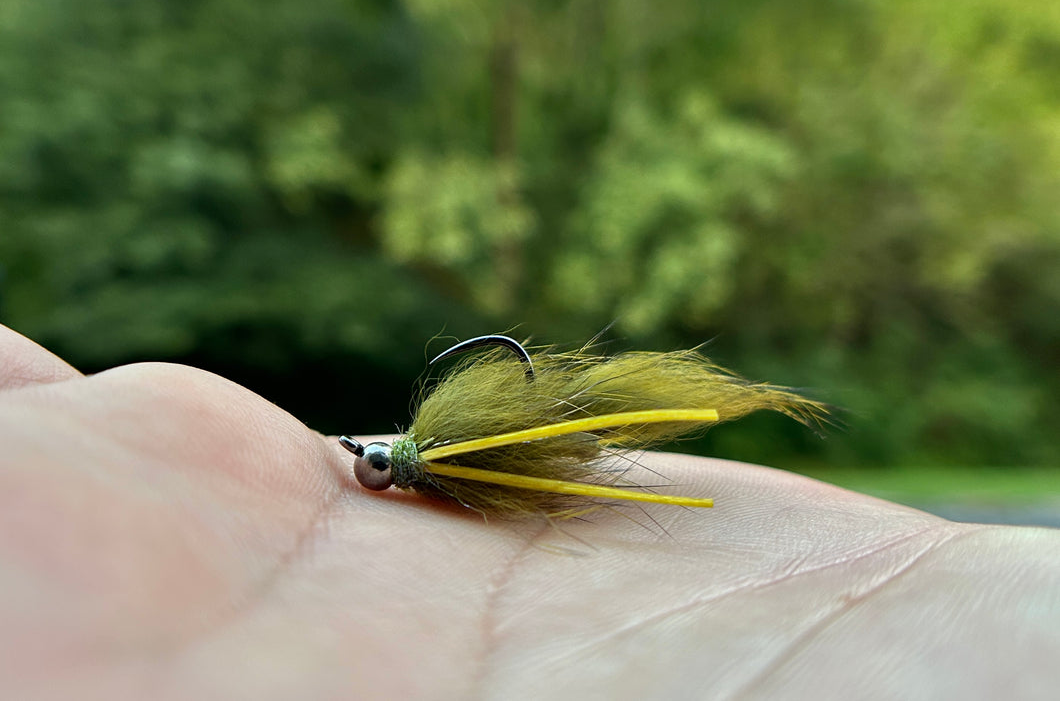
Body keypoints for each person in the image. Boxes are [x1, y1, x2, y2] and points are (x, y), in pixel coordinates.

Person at [1, 323, 1057, 699]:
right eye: (377, 462)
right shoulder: (453, 453)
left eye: (377, 462)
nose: (373, 463)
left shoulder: (435, 461)